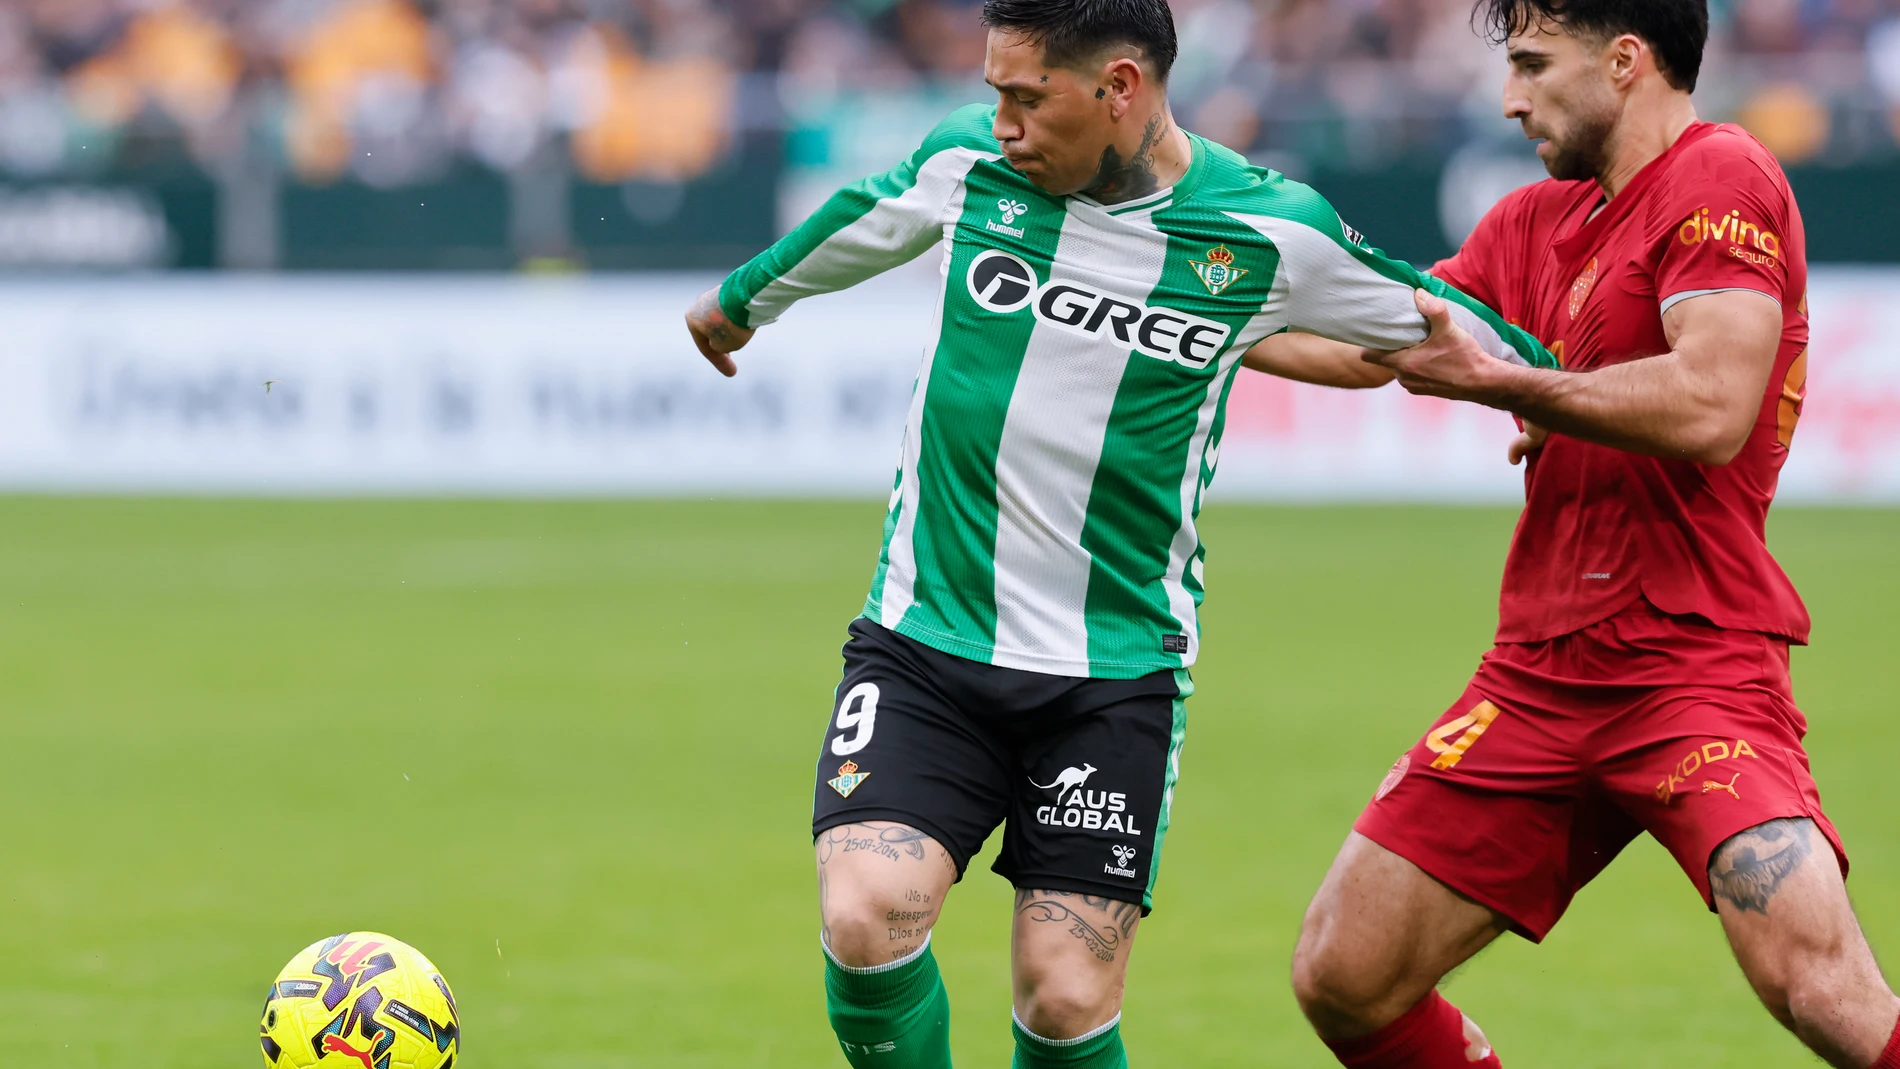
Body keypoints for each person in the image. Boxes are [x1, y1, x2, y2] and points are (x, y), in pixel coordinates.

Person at [683, 0, 1555, 1065]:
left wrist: (1541, 397)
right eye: (992, 90)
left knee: (1062, 997)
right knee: (869, 913)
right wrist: (738, 304)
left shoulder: (1267, 231)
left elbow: (1426, 320)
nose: (998, 119)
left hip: (1111, 672)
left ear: (1121, 88)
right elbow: (867, 214)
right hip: (926, 640)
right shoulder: (971, 165)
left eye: (1025, 96)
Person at [1276, 2, 1900, 1067]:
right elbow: (1378, 345)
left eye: (1531, 64)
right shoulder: (1532, 223)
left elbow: (1710, 406)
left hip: (1689, 662)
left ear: (1622, 61)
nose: (1509, 97)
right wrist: (1174, 313)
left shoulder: (1722, 175)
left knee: (1817, 986)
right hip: (1536, 674)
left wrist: (1520, 385)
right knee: (1346, 971)